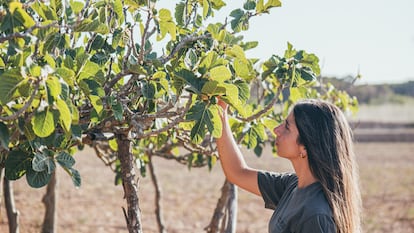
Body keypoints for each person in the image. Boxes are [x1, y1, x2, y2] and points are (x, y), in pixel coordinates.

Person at [216, 98, 362, 233]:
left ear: (304, 148)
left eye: (286, 127)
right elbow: (237, 172)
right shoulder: (293, 185)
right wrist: (220, 110)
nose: (276, 130)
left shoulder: (315, 215)